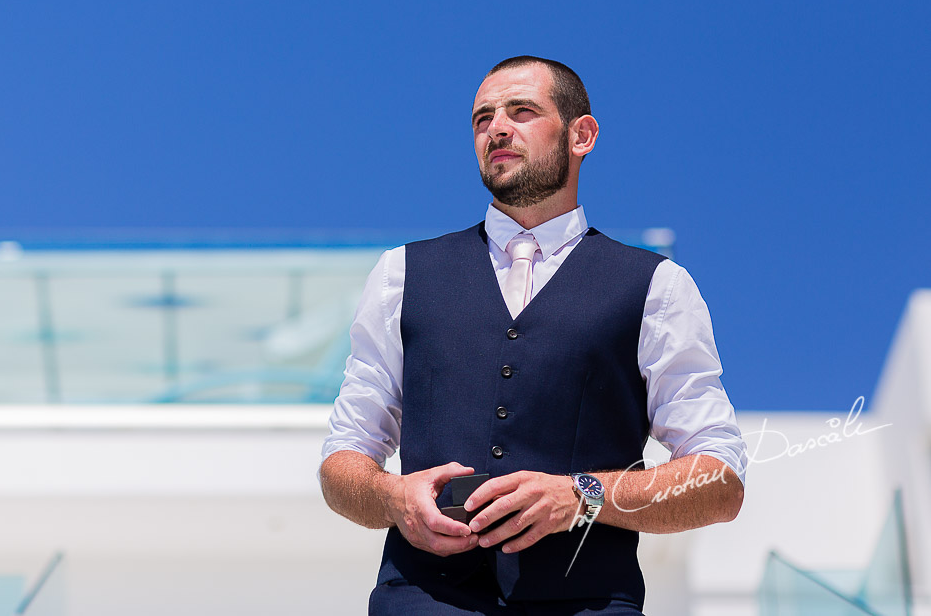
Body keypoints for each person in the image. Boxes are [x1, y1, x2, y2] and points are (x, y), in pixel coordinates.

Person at [318, 56, 747, 615]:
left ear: (582, 135)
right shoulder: (400, 274)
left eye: (522, 111)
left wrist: (580, 498)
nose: (497, 128)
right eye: (482, 118)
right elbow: (342, 459)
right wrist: (392, 497)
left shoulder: (657, 288)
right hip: (419, 600)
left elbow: (720, 479)